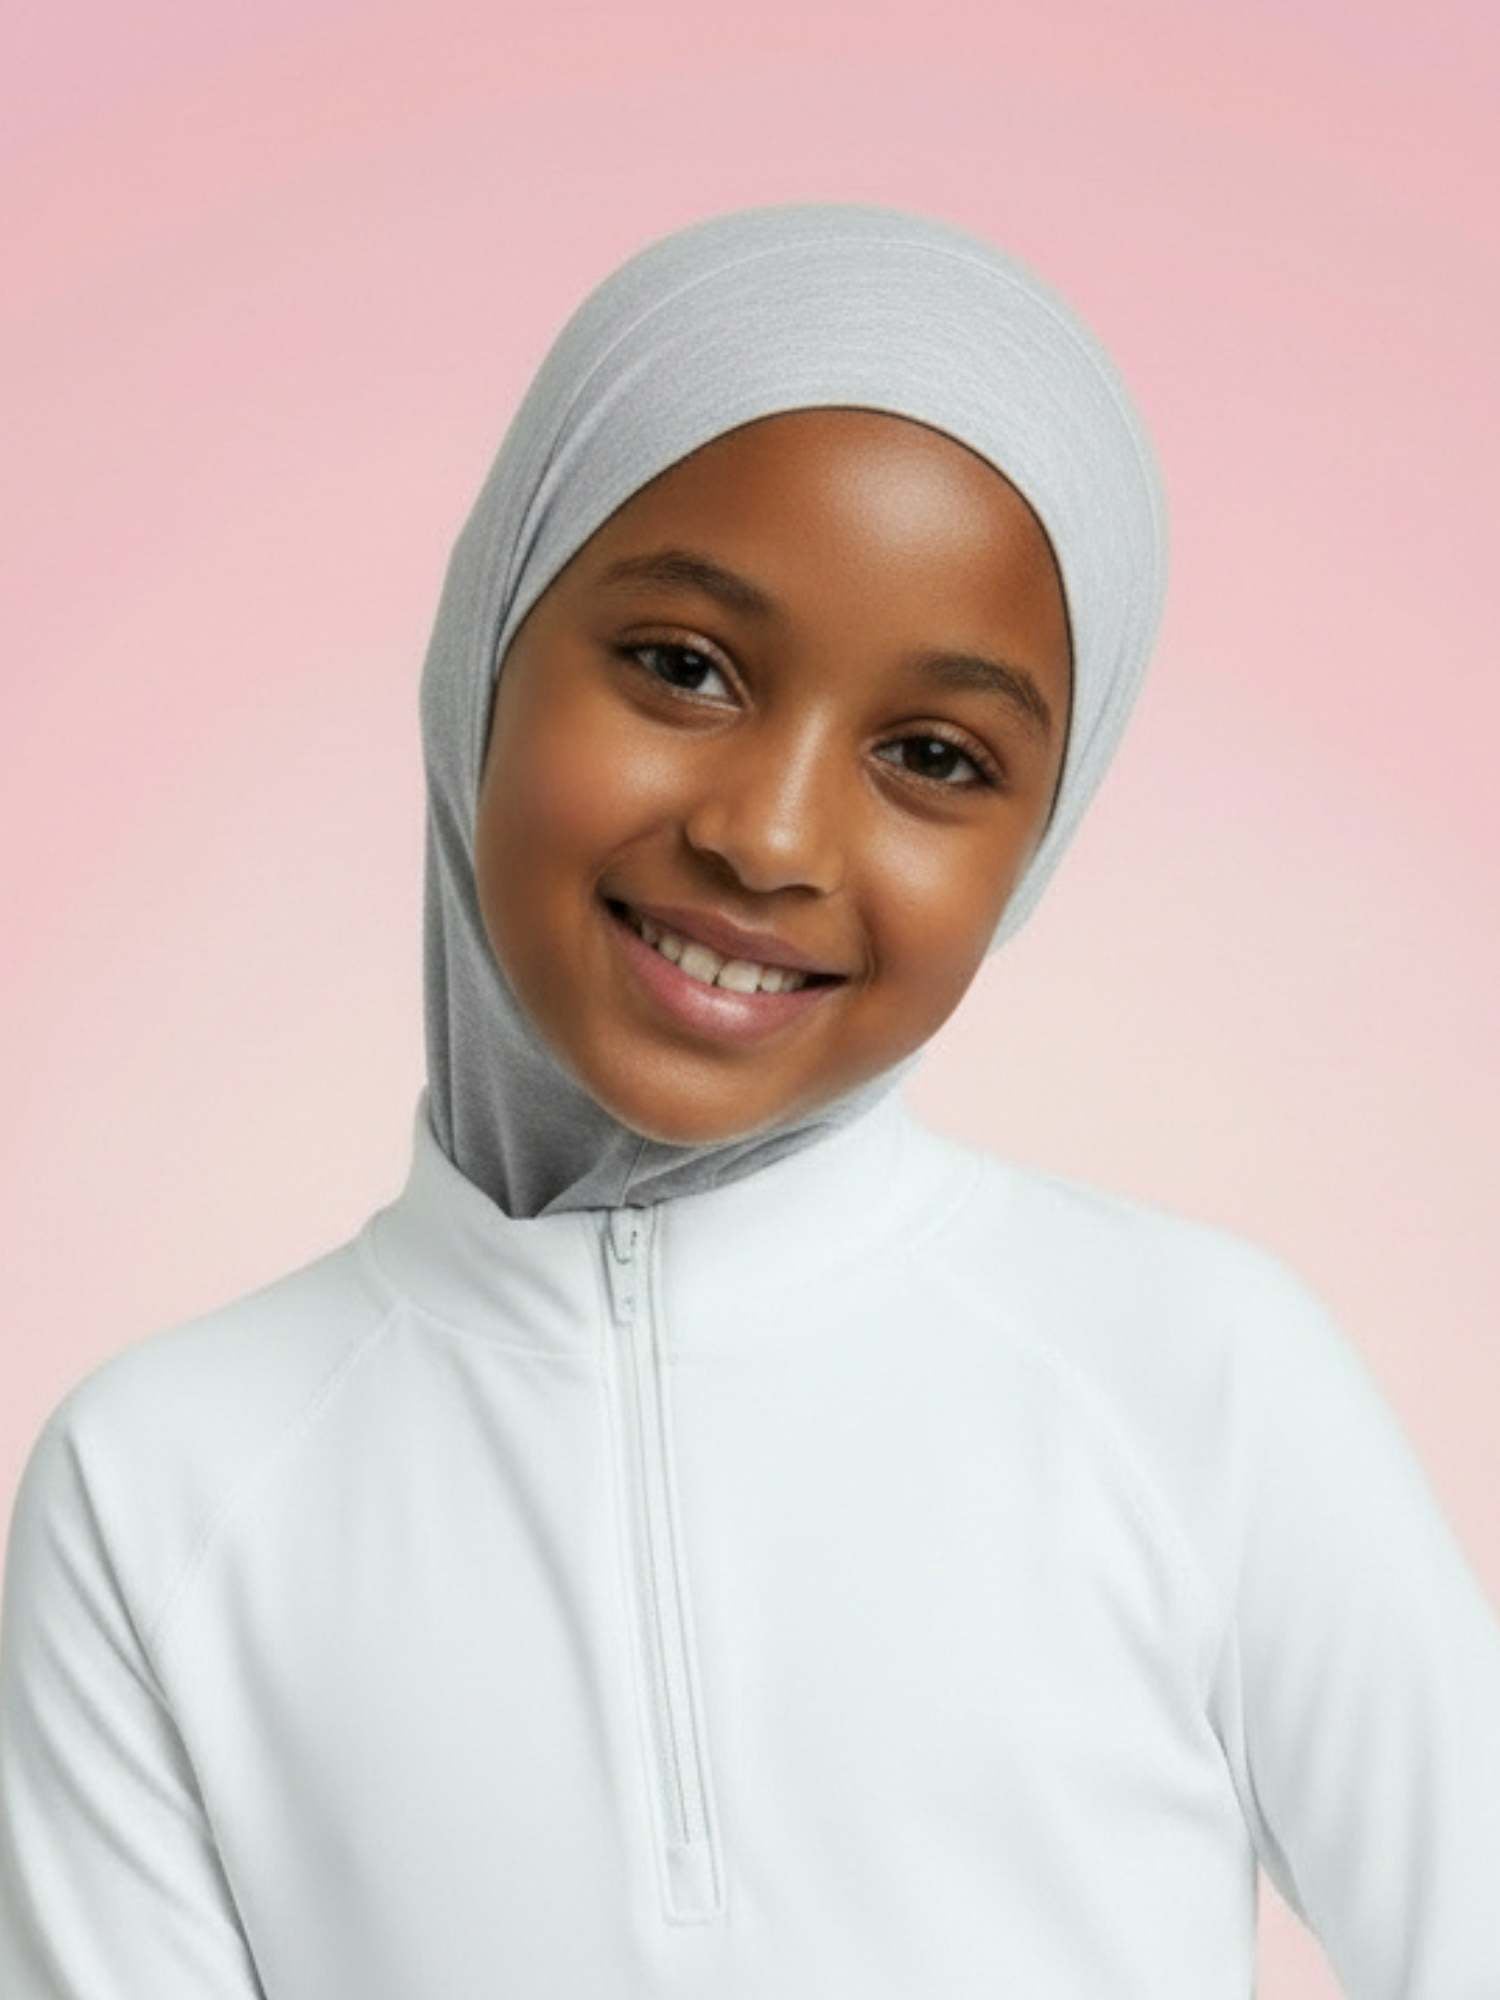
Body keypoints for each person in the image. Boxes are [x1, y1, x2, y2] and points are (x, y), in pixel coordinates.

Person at [1, 200, 1496, 1998]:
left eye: (934, 759)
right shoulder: (162, 1486)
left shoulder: (1195, 1381)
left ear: (1044, 837)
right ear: (490, 634)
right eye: (682, 666)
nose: (768, 836)